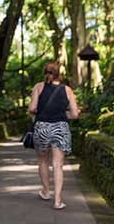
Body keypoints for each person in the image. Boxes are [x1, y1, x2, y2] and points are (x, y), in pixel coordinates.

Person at [28, 62, 80, 210]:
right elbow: (75, 114)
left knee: (42, 160)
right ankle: (57, 201)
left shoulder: (38, 87)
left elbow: (32, 108)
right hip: (60, 128)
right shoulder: (67, 90)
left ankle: (46, 192)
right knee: (58, 165)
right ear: (59, 74)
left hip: (42, 127)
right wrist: (64, 114)